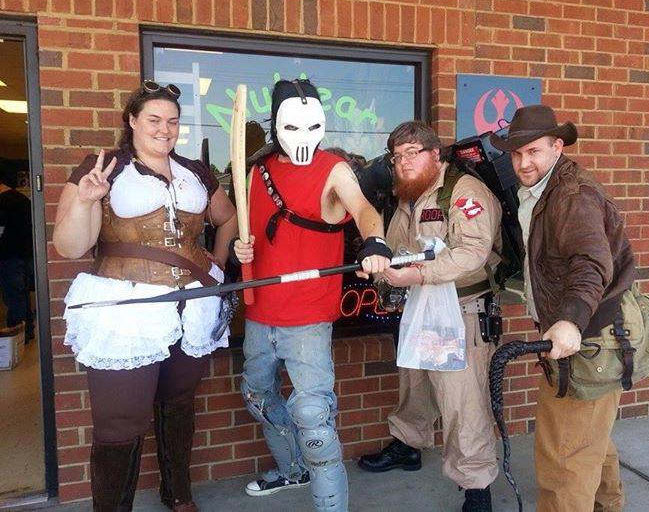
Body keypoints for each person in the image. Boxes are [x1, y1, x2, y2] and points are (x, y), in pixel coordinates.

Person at [54, 81, 238, 512]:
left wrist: (217, 261)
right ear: (133, 121)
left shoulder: (195, 172)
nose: (164, 129)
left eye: (172, 121)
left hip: (192, 307)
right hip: (127, 310)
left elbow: (228, 218)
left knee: (178, 402)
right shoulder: (103, 169)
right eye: (154, 119)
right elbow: (70, 246)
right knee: (119, 420)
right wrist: (86, 202)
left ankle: (178, 494)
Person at [232, 79, 391, 512]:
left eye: (311, 126)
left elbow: (363, 208)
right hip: (260, 310)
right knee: (258, 397)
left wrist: (375, 242)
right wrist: (241, 250)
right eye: (292, 126)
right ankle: (292, 469)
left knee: (312, 415)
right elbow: (253, 233)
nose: (303, 136)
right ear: (275, 125)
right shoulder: (257, 172)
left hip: (307, 316)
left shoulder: (333, 169)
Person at [490, 104, 636, 512]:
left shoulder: (572, 195)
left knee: (564, 458)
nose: (523, 163)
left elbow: (590, 262)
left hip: (588, 337)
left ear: (557, 147)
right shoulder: (542, 189)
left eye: (534, 151)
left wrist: (570, 320)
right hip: (584, 334)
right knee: (589, 438)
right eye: (517, 154)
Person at [357, 121, 503, 512]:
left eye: (412, 153)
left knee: (462, 402)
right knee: (415, 384)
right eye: (397, 156)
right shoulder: (409, 194)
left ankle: (476, 487)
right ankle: (408, 445)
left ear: (434, 154)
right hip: (420, 307)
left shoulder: (464, 191)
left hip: (463, 312)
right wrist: (381, 272)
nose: (403, 162)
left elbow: (472, 252)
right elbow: (395, 247)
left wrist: (418, 274)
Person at [0, 163, 34, 343]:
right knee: (22, 296)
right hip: (27, 254)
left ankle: (16, 338)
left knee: (14, 298)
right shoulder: (23, 200)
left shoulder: (2, 202)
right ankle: (27, 332)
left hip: (8, 256)